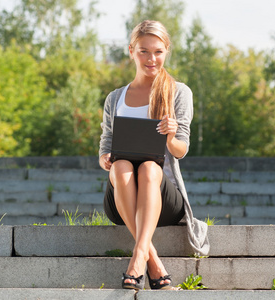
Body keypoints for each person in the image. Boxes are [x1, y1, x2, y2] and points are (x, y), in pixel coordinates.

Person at [99, 20, 209, 290]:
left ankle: (139, 257)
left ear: (166, 51)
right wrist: (105, 159)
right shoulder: (115, 98)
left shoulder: (178, 92)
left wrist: (171, 135)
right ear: (131, 51)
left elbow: (181, 151)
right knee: (121, 165)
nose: (152, 59)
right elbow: (105, 147)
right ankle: (153, 260)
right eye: (144, 51)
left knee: (149, 167)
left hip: (163, 199)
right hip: (122, 196)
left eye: (158, 51)